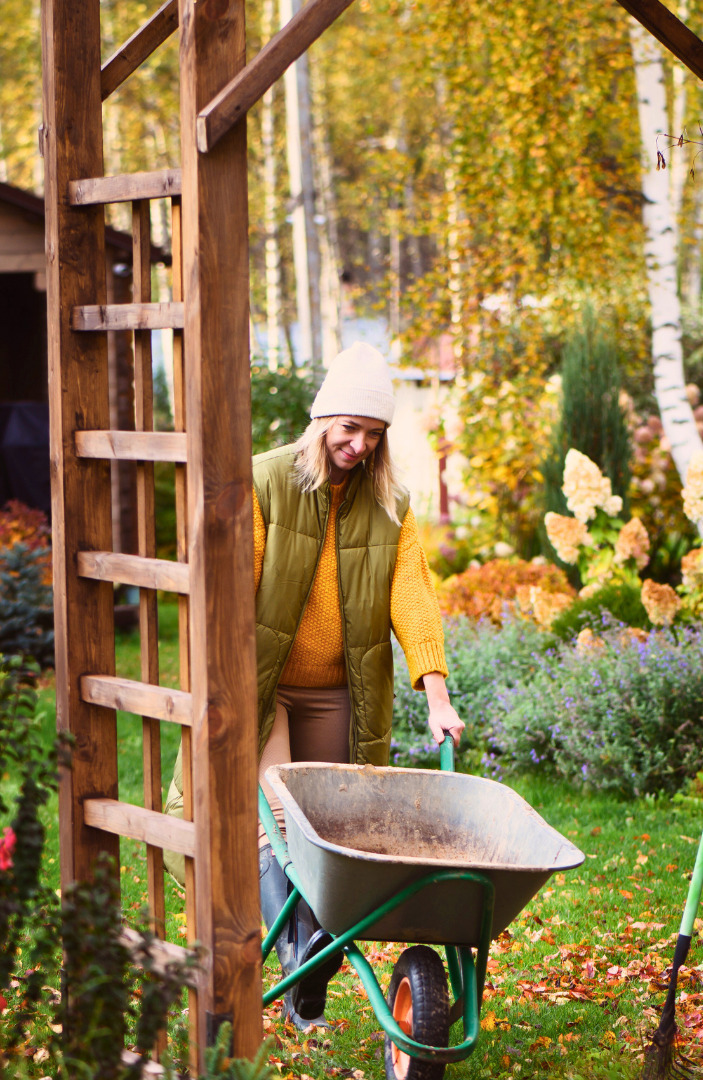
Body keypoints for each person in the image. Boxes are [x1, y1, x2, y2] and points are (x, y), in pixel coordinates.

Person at [249, 342, 465, 1028]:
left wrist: (437, 696)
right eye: (349, 428)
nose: (358, 445)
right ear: (322, 421)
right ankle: (299, 954)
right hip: (265, 685)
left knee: (331, 829)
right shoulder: (265, 481)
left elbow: (413, 598)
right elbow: (232, 585)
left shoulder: (386, 502)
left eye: (373, 434)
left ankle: (310, 956)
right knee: (280, 817)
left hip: (341, 687)